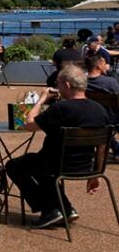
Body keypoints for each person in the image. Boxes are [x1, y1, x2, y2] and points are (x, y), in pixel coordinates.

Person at [7, 65, 110, 228]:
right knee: (38, 165)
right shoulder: (100, 110)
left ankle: (50, 210)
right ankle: (66, 208)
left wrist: (41, 100)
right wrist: (96, 173)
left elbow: (29, 124)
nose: (57, 88)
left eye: (58, 84)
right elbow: (102, 148)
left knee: (14, 165)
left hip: (54, 165)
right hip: (84, 166)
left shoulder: (60, 108)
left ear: (67, 85)